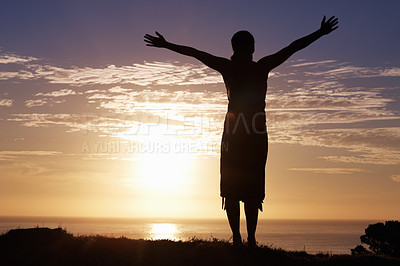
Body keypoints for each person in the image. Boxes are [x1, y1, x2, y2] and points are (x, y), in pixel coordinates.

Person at [144, 16, 338, 247]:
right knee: (250, 187)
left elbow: (195, 52)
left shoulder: (230, 66)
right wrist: (319, 33)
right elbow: (291, 48)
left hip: (236, 132)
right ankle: (249, 239)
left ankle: (239, 238)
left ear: (234, 47)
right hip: (255, 132)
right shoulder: (260, 66)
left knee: (234, 187)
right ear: (252, 47)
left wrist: (167, 45)